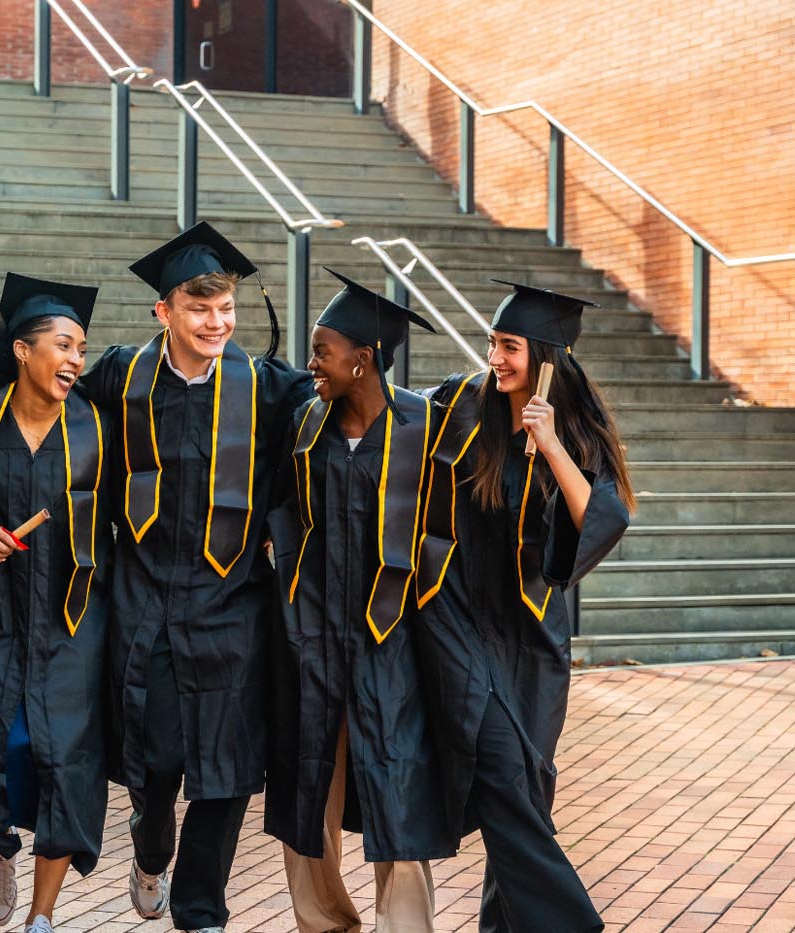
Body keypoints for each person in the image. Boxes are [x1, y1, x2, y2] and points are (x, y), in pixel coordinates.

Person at [74, 222, 314, 933]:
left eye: (225, 308)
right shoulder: (119, 377)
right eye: (199, 308)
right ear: (165, 312)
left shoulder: (269, 389)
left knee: (229, 770)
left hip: (232, 609)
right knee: (158, 763)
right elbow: (48, 419)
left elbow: (342, 418)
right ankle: (151, 846)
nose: (216, 322)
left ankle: (201, 909)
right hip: (144, 604)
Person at [413, 280, 634, 933]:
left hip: (534, 641)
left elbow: (604, 517)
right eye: (492, 342)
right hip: (462, 625)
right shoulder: (462, 404)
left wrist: (553, 441)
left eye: (509, 345)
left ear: (545, 357)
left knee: (525, 795)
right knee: (506, 779)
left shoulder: (573, 436)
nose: (495, 357)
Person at [265, 269, 453, 933]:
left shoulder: (425, 426)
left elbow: (448, 527)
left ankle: (406, 926)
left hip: (391, 640)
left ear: (362, 360)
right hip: (312, 636)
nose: (311, 363)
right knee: (306, 786)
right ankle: (323, 921)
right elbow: (283, 512)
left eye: (322, 350)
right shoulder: (306, 425)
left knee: (396, 787)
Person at [0, 273, 110, 933]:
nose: (74, 361)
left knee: (67, 761)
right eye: (63, 345)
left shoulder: (96, 428)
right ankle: (0, 846)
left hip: (72, 620)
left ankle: (41, 915)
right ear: (23, 351)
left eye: (82, 350)